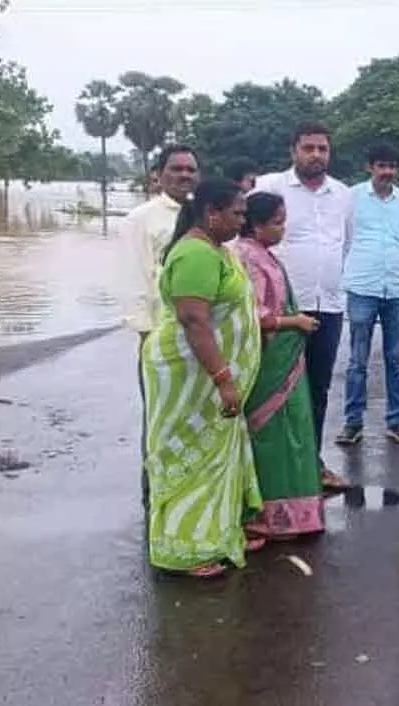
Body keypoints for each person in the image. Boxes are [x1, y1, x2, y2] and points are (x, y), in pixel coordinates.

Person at [141, 178, 263, 578]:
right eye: (238, 214)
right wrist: (224, 378)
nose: (243, 222)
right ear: (212, 213)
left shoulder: (215, 249)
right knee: (187, 452)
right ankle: (185, 549)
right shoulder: (195, 254)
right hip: (189, 374)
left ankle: (214, 534)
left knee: (214, 453)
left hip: (206, 372)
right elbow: (195, 321)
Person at [253, 122, 352, 491]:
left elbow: (346, 243)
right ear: (293, 150)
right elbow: (251, 242)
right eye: (308, 148)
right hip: (279, 312)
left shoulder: (342, 194)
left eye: (322, 149)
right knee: (272, 387)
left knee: (317, 388)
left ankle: (311, 463)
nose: (316, 155)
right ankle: (266, 471)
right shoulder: (270, 187)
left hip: (328, 306)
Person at [233, 192, 327, 540]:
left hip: (284, 358)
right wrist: (295, 323)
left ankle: (291, 512)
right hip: (267, 360)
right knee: (271, 436)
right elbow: (251, 315)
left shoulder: (263, 255)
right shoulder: (247, 258)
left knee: (291, 434)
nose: (282, 230)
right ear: (255, 223)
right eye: (277, 223)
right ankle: (265, 515)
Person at [119, 144, 199, 509]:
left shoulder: (202, 214)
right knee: (160, 421)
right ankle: (155, 499)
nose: (185, 175)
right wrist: (147, 335)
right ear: (159, 174)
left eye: (190, 169)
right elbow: (134, 279)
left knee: (195, 416)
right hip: (160, 337)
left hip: (200, 336)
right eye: (176, 169)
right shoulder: (142, 219)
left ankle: (191, 494)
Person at [335, 143, 399, 446]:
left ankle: (396, 421)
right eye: (382, 165)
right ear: (369, 167)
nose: (388, 172)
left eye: (393, 166)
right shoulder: (351, 197)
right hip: (362, 287)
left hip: (397, 288)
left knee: (395, 360)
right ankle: (352, 422)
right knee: (358, 360)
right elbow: (343, 239)